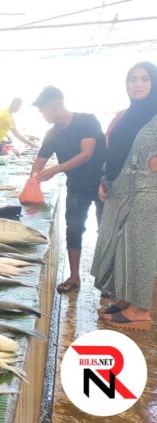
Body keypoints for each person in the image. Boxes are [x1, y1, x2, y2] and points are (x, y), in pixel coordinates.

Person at [92, 62, 157, 331]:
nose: (138, 84)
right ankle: (124, 299)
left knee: (139, 249)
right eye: (132, 80)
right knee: (118, 248)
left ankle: (140, 309)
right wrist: (104, 179)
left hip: (144, 190)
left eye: (144, 79)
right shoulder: (125, 114)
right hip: (117, 188)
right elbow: (112, 148)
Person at [30, 86, 106, 294]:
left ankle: (107, 280)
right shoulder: (52, 133)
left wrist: (55, 170)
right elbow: (40, 160)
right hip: (76, 187)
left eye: (43, 110)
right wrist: (32, 181)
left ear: (55, 105)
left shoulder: (87, 121)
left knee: (106, 231)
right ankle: (74, 276)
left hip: (102, 184)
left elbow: (86, 154)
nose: (42, 114)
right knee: (73, 230)